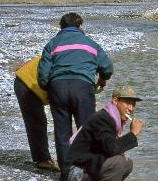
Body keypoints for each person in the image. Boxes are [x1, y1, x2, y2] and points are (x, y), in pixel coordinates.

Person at [38, 12, 113, 169]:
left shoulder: (52, 44)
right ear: (80, 26)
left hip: (57, 88)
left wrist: (48, 88)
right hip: (83, 88)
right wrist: (102, 78)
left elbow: (43, 75)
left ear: (61, 27)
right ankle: (86, 169)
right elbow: (107, 67)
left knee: (62, 132)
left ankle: (67, 173)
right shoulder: (90, 44)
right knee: (85, 129)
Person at [59, 85, 144, 181]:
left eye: (133, 104)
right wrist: (133, 134)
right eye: (127, 103)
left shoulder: (111, 119)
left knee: (126, 162)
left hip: (82, 170)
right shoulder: (103, 119)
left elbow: (108, 149)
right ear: (115, 101)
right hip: (74, 176)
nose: (131, 108)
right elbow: (112, 149)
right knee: (120, 162)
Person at [14, 55, 59, 171]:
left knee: (38, 121)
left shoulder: (68, 56)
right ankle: (43, 160)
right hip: (26, 84)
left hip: (27, 79)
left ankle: (45, 157)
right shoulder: (68, 65)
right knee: (36, 122)